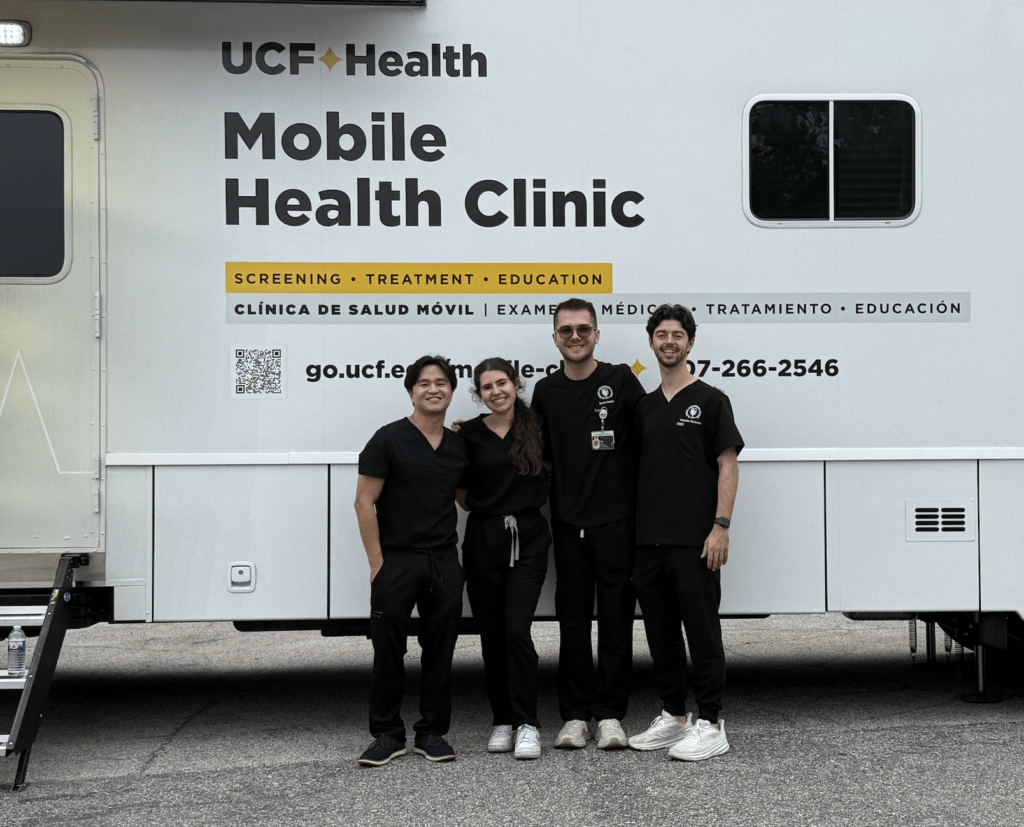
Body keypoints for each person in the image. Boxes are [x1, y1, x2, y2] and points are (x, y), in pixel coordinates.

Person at [529, 298, 646, 750]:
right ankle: (575, 717)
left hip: (617, 524)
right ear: (555, 337)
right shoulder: (546, 391)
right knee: (573, 624)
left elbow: (648, 437)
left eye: (583, 329)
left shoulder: (620, 380)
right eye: (566, 330)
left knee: (615, 622)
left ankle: (611, 715)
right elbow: (528, 449)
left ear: (597, 334)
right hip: (568, 525)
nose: (574, 337)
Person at [627, 304, 742, 761]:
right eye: (661, 334)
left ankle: (711, 723)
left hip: (697, 541)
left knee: (702, 631)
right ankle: (674, 717)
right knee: (661, 635)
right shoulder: (645, 407)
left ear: (690, 343)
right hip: (648, 541)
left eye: (677, 335)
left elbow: (727, 464)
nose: (669, 341)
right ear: (651, 342)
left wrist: (720, 526)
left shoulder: (712, 400)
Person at [353, 355, 469, 766]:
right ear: (411, 391)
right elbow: (364, 501)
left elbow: (467, 499)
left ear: (452, 391)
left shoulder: (458, 447)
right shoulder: (388, 439)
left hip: (442, 561)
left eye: (441, 382)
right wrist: (376, 563)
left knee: (440, 650)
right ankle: (387, 734)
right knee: (388, 650)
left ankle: (432, 733)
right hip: (397, 562)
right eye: (424, 383)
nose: (433, 389)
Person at [456, 358, 550, 760]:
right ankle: (502, 720)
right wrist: (485, 506)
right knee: (491, 634)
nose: (496, 391)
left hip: (528, 539)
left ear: (516, 384)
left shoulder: (538, 426)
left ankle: (527, 723)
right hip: (484, 538)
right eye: (487, 387)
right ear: (479, 394)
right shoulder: (468, 433)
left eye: (502, 383)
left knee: (515, 629)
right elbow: (459, 489)